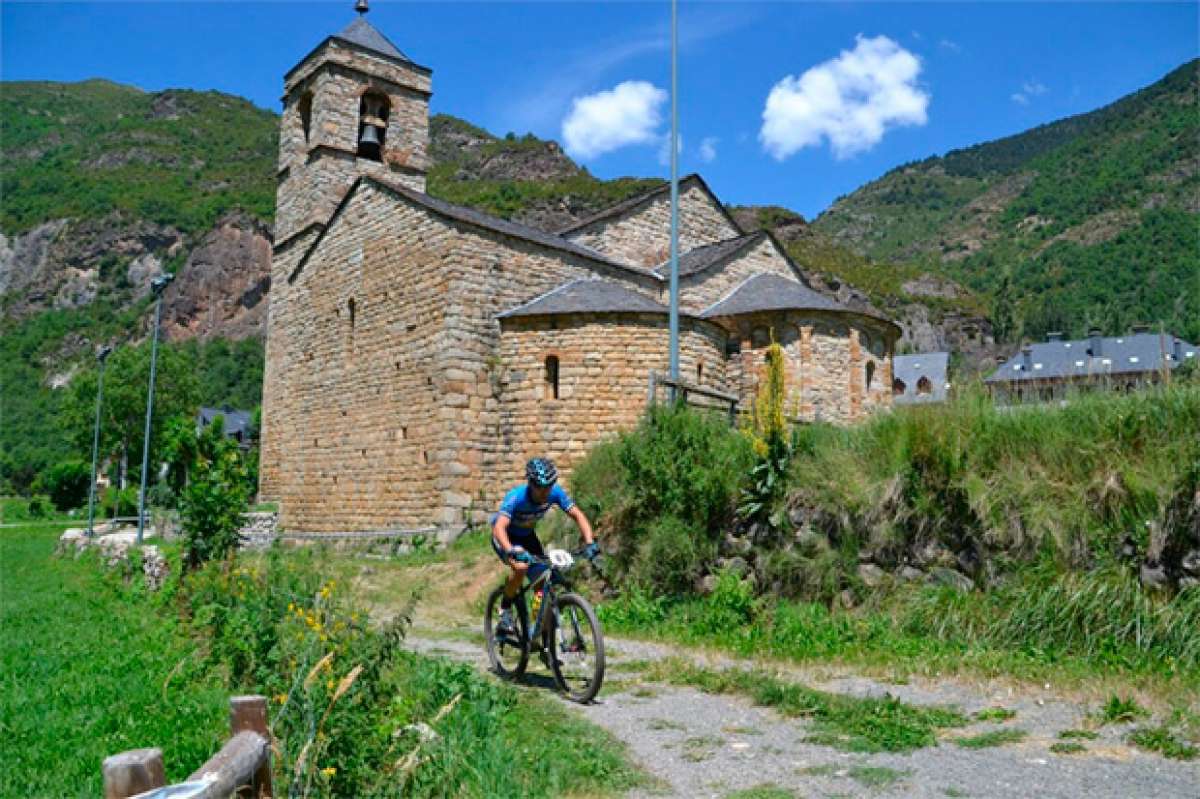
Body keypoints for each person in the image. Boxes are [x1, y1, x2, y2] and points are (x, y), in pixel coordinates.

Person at [492, 457, 598, 636]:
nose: (544, 493)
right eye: (540, 488)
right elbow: (499, 527)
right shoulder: (516, 497)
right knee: (521, 568)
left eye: (548, 487)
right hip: (505, 538)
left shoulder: (555, 493)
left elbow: (578, 515)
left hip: (527, 538)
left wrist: (590, 542)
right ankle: (505, 608)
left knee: (542, 582)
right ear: (530, 483)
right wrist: (510, 550)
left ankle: (536, 624)